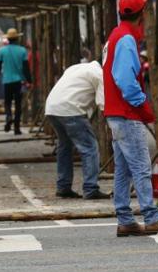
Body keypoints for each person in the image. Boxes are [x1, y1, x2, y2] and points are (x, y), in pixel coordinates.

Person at [104, 0, 158, 237]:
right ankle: (151, 216)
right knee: (140, 166)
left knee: (123, 169)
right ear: (142, 14)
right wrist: (143, 105)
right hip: (127, 113)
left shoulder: (116, 36)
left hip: (116, 113)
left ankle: (125, 219)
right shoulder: (126, 39)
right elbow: (126, 81)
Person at [44, 60, 109, 200]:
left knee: (64, 147)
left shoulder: (75, 67)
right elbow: (102, 103)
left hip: (52, 108)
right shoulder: (100, 74)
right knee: (90, 148)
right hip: (70, 109)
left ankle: (63, 186)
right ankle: (91, 188)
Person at [0, 28, 31, 134]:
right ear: (17, 39)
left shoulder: (2, 50)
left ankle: (9, 116)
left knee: (7, 102)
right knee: (18, 104)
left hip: (7, 81)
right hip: (18, 82)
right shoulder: (22, 50)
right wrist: (29, 80)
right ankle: (16, 128)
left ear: (8, 39)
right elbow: (26, 67)